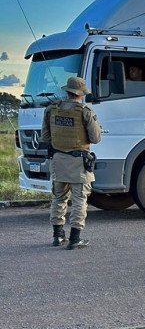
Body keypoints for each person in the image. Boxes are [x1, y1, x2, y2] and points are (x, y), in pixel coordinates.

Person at [40, 77, 102, 249]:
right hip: (78, 163)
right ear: (81, 94)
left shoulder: (51, 109)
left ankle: (57, 236)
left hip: (58, 161)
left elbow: (45, 137)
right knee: (79, 200)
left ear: (67, 91)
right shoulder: (85, 111)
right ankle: (75, 239)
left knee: (58, 198)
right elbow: (96, 139)